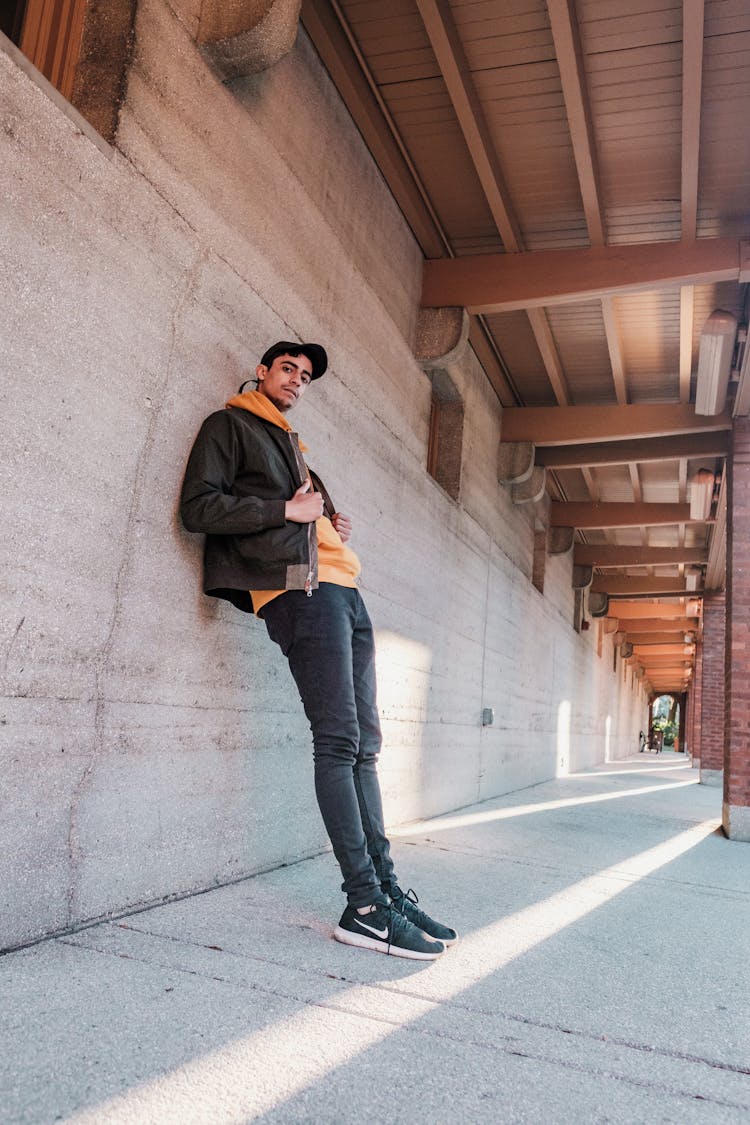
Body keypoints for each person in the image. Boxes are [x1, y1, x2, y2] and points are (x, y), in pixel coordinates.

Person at [180, 341, 457, 960]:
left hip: (343, 591)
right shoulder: (230, 426)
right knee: (337, 740)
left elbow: (306, 518)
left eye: (305, 376)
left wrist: (328, 522)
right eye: (288, 369)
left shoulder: (292, 445)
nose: (297, 381)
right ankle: (363, 907)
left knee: (365, 744)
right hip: (300, 595)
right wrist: (287, 508)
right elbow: (198, 507)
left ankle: (386, 888)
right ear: (262, 371)